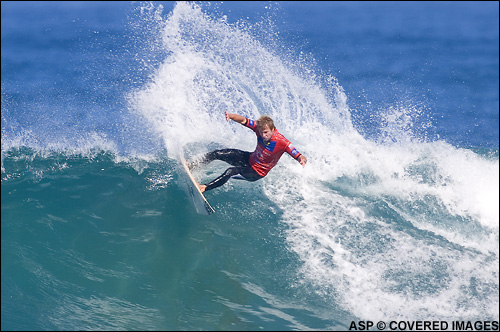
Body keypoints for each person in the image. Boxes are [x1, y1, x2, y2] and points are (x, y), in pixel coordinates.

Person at [189, 111, 307, 193]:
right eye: (261, 132)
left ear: (273, 129)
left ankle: (204, 187)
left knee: (230, 171)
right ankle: (191, 166)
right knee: (217, 153)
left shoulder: (282, 141)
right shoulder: (259, 128)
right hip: (250, 158)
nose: (263, 135)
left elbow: (297, 154)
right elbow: (244, 120)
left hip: (256, 172)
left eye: (266, 132)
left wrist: (301, 159)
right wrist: (231, 116)